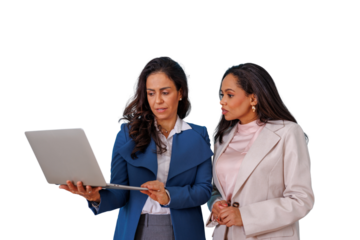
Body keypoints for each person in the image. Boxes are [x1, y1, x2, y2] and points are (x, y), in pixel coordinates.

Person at [58, 55, 213, 240]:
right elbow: (119, 192)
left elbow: (203, 190)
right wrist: (94, 197)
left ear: (180, 93)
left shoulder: (199, 132)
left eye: (165, 92)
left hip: (185, 231)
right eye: (151, 93)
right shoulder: (128, 133)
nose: (158, 101)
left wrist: (168, 195)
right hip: (136, 230)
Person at [205, 62, 315, 240]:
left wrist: (245, 216)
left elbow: (301, 200)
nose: (222, 101)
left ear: (253, 98)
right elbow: (214, 188)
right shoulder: (222, 138)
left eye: (230, 95)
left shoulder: (288, 132)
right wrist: (216, 203)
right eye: (222, 94)